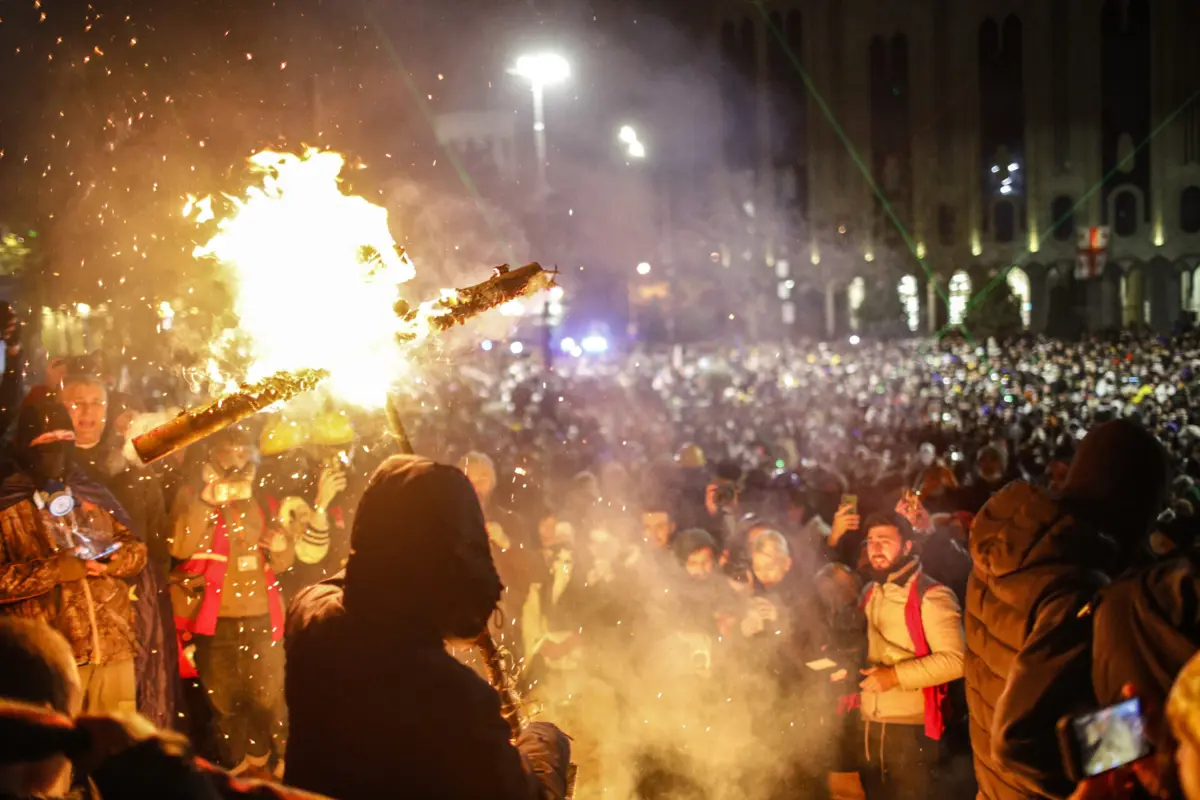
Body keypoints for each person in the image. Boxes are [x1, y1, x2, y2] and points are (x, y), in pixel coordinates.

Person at [284, 455, 571, 799]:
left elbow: (368, 579)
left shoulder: (311, 617)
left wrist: (449, 605)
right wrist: (544, 742)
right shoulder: (454, 699)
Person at [966, 419, 1171, 800]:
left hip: (994, 788)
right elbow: (1023, 743)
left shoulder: (1009, 550)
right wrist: (1148, 733)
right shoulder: (1075, 582)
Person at [0, 399, 148, 718]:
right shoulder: (6, 506)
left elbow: (136, 548)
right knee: (53, 761)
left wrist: (118, 560)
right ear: (25, 447)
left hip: (112, 650)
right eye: (45, 442)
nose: (56, 451)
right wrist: (54, 571)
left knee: (116, 757)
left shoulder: (90, 491)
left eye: (64, 439)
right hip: (51, 660)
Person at [169, 427, 293, 775]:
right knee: (223, 705)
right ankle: (236, 772)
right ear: (212, 455)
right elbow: (179, 546)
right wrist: (206, 502)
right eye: (229, 451)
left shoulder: (264, 500)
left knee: (270, 701)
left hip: (262, 619)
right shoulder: (194, 494)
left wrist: (283, 549)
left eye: (243, 451)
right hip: (215, 621)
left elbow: (283, 558)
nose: (237, 459)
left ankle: (278, 766)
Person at [857, 511, 965, 800]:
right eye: (871, 541)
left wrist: (894, 676)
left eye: (885, 540)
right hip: (872, 724)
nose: (876, 547)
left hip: (912, 729)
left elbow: (957, 660)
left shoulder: (932, 595)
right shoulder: (870, 591)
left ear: (907, 546)